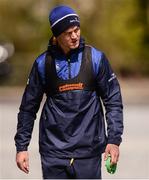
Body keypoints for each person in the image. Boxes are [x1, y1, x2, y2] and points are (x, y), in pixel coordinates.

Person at [14, 5, 123, 179]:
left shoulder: (95, 58)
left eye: (77, 29)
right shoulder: (43, 64)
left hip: (88, 151)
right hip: (53, 152)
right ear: (56, 36)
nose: (75, 36)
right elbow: (28, 108)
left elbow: (113, 101)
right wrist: (21, 147)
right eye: (68, 32)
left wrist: (114, 140)